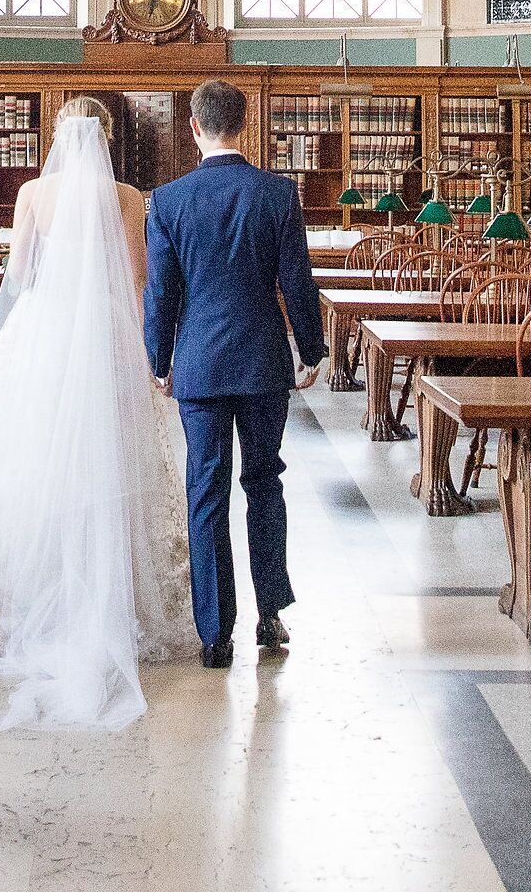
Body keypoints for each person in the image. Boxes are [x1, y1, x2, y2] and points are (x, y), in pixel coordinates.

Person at [0, 97, 193, 729]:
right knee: (112, 456)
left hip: (42, 334)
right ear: (107, 138)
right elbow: (142, 280)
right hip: (107, 336)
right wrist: (154, 346)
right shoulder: (126, 197)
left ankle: (31, 594)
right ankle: (118, 597)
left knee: (33, 462)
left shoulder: (33, 194)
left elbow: (21, 276)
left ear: (58, 135)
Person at [143, 76, 326, 668]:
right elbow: (297, 280)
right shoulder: (278, 193)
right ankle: (269, 613)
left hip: (199, 363)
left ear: (194, 127)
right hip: (262, 361)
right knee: (265, 482)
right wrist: (312, 349)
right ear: (243, 125)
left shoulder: (168, 201)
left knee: (206, 491)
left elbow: (161, 295)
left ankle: (214, 633)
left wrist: (159, 359)